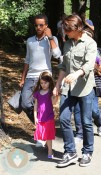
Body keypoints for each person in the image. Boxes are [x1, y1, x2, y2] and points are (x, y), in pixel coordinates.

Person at [53, 14, 97, 167]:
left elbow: (89, 65)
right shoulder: (67, 44)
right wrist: (57, 84)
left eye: (68, 31)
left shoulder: (90, 43)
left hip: (84, 88)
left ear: (77, 28)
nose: (65, 33)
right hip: (68, 88)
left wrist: (76, 74)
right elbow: (64, 67)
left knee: (86, 122)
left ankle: (87, 152)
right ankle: (70, 152)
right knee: (64, 119)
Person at [19, 14, 61, 146]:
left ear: (46, 26)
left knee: (45, 105)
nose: (38, 27)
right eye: (36, 25)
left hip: (45, 77)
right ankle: (41, 126)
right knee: (25, 103)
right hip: (31, 77)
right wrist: (22, 78)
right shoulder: (30, 40)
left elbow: (57, 55)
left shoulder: (51, 39)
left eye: (41, 25)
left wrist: (50, 37)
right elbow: (27, 60)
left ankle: (42, 133)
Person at [74, 31, 101, 142]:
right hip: (79, 83)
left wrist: (93, 66)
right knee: (78, 109)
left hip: (94, 85)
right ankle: (79, 133)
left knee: (94, 110)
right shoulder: (76, 48)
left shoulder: (98, 51)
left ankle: (99, 123)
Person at [33, 71, 58, 158]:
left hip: (49, 116)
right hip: (40, 117)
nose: (43, 85)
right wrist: (35, 116)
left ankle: (50, 151)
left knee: (48, 134)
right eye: (41, 83)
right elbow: (35, 105)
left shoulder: (50, 92)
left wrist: (56, 96)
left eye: (45, 82)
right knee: (43, 134)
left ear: (50, 82)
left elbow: (54, 102)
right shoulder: (37, 93)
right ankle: (47, 145)